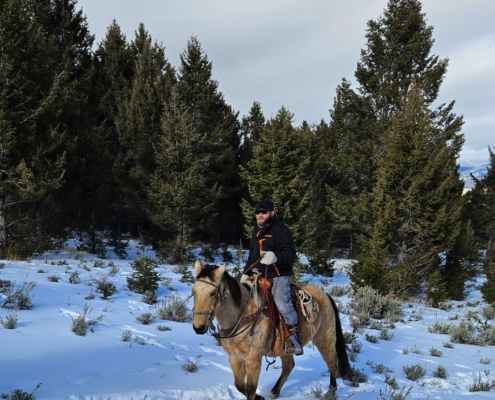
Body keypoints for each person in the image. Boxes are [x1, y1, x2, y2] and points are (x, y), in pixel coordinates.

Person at [241, 199, 303, 355]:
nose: (260, 215)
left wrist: (276, 257)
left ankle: (293, 337)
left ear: (272, 213)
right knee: (241, 299)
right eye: (257, 212)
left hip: (279, 274)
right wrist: (246, 273)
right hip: (259, 274)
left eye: (264, 212)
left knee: (281, 303)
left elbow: (290, 254)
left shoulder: (281, 230)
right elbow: (252, 256)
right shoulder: (255, 231)